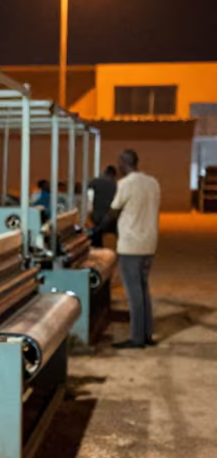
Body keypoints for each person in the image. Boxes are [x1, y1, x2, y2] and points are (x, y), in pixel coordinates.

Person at [108, 149, 160, 349]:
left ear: (122, 163)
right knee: (144, 291)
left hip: (130, 246)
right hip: (149, 244)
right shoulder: (153, 182)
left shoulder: (125, 184)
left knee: (134, 294)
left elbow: (114, 210)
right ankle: (147, 334)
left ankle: (137, 338)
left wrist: (99, 226)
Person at [88, 164, 117, 246]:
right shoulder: (116, 185)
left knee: (96, 238)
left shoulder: (95, 182)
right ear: (114, 175)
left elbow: (89, 198)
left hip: (97, 218)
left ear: (105, 172)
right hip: (111, 220)